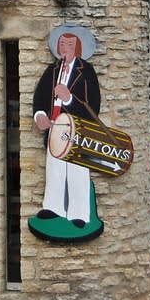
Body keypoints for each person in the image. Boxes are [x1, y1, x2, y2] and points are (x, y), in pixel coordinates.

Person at [32, 30, 101, 229]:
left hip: (77, 129)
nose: (65, 49)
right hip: (54, 127)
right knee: (54, 167)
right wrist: (40, 116)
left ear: (77, 48)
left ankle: (78, 213)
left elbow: (93, 105)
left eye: (69, 45)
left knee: (77, 169)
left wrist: (69, 99)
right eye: (62, 45)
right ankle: (53, 207)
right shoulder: (52, 70)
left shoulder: (86, 70)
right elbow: (40, 96)